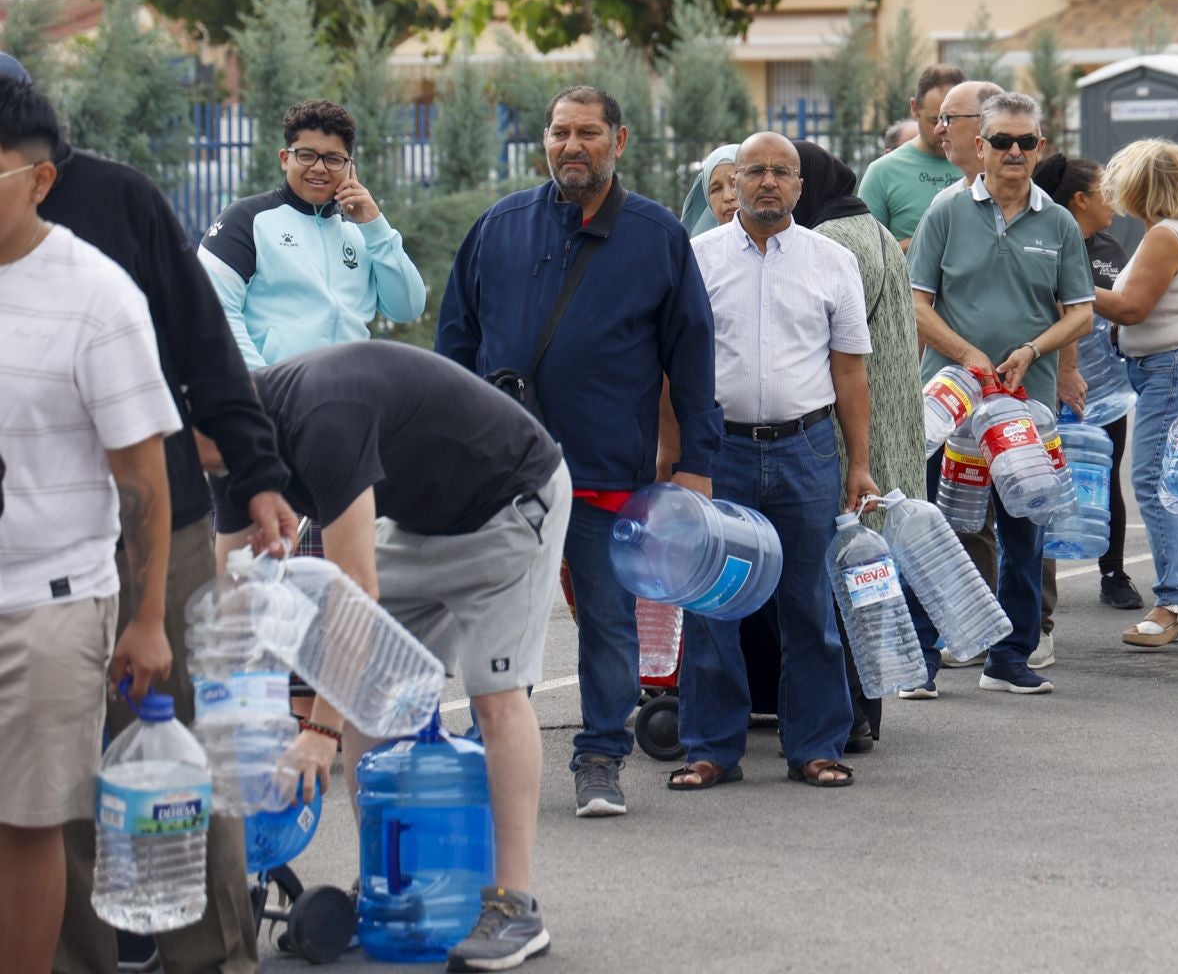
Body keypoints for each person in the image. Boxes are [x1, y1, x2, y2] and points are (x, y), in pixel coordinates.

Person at [20, 61, 300, 972]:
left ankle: (212, 955)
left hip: (158, 519)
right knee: (47, 780)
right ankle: (81, 955)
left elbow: (203, 342)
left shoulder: (120, 202)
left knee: (178, 747)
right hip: (29, 540)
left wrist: (257, 471)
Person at [208, 342, 572, 971]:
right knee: (367, 695)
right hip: (420, 523)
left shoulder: (321, 414)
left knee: (494, 696)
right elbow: (229, 593)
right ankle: (384, 887)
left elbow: (355, 594)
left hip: (512, 502)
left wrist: (317, 730)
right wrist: (234, 712)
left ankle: (515, 906)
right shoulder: (229, 448)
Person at [438, 84, 722, 819]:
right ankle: (491, 748)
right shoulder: (498, 227)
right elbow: (455, 345)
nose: (571, 145)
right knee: (502, 618)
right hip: (506, 476)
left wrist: (695, 461)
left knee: (608, 622)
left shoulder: (658, 236)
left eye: (588, 132)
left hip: (606, 472)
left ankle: (600, 758)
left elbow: (691, 358)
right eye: (560, 131)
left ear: (618, 142)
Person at [0, 83, 180, 974]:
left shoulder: (95, 296)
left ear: (39, 181)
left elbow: (142, 478)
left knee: (27, 823)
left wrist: (146, 620)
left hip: (51, 603)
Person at [671, 131, 879, 790]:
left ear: (798, 185)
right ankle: (710, 748)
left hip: (808, 450)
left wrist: (859, 463)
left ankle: (816, 745)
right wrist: (673, 455)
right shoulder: (694, 259)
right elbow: (669, 369)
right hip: (719, 449)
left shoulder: (831, 261)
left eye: (780, 172)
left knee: (810, 605)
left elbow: (850, 372)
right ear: (731, 184)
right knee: (712, 604)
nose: (766, 182)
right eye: (753, 171)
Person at [909, 91, 1094, 695]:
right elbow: (917, 305)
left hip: (1025, 405)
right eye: (1001, 141)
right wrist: (967, 354)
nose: (1014, 152)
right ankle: (925, 661)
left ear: (1040, 148)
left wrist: (1033, 352)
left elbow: (1082, 313)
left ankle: (1009, 658)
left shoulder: (1059, 222)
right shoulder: (945, 211)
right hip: (950, 403)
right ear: (980, 146)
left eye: (1026, 142)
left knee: (1023, 532)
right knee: (937, 529)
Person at [791, 139, 924, 737]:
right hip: (894, 421)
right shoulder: (870, 228)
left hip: (851, 432)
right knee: (868, 579)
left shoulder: (831, 245)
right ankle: (865, 710)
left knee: (837, 581)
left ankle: (848, 713)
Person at [197, 98, 427, 369]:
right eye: (306, 155)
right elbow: (214, 310)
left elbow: (408, 307)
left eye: (333, 159)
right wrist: (262, 386)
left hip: (353, 397)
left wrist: (375, 226)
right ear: (285, 159)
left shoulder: (362, 232)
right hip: (276, 399)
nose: (319, 167)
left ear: (349, 166)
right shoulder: (246, 220)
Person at [1096, 140, 1178, 648]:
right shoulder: (1174, 231)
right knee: (1173, 485)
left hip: (1170, 367)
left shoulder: (1164, 236)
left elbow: (1131, 308)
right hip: (1174, 366)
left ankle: (1175, 600)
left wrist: (1067, 288)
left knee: (1153, 481)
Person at [1032, 154, 1143, 611]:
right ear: (1079, 200)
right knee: (1041, 483)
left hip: (1103, 389)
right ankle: (1037, 581)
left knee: (1104, 476)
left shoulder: (1109, 248)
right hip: (1048, 381)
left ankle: (1113, 572)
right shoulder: (1045, 245)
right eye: (1105, 193)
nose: (1112, 202)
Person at [857, 64, 965, 247]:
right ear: (915, 108)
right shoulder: (882, 172)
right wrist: (921, 243)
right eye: (935, 119)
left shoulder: (985, 165)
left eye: (953, 120)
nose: (942, 129)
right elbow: (866, 252)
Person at [679, 143, 740, 237]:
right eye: (716, 189)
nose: (727, 197)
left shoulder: (771, 246)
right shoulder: (699, 249)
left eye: (735, 184)